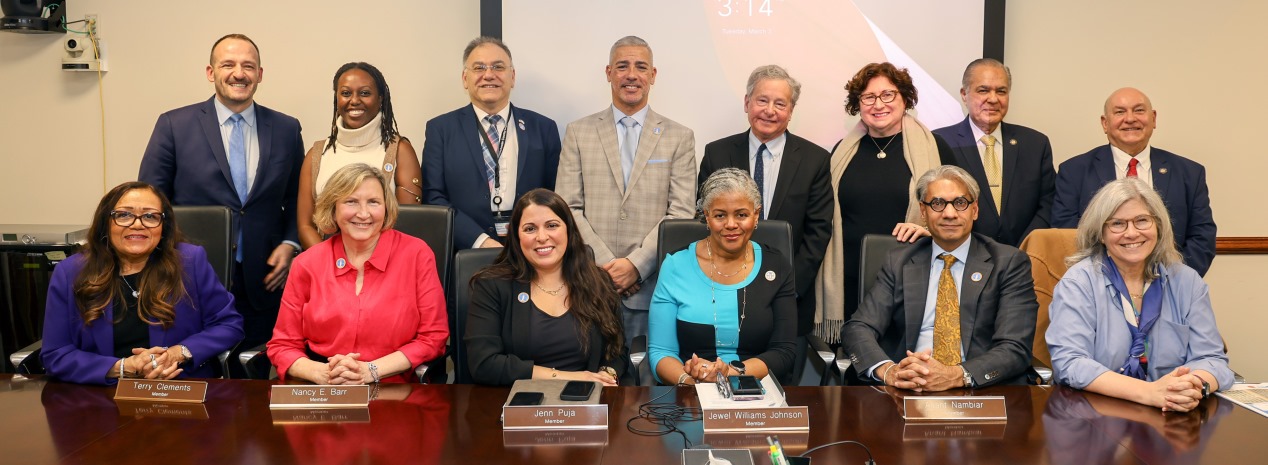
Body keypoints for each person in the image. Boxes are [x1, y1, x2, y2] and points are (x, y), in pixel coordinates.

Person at [138, 34, 304, 376]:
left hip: (264, 280)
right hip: (189, 280)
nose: (238, 73)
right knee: (195, 381)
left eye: (248, 66)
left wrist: (290, 244)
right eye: (228, 64)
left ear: (260, 74)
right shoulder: (174, 125)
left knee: (253, 379)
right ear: (211, 72)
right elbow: (150, 203)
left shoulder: (287, 128)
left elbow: (297, 200)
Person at [843, 165, 1038, 391]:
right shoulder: (900, 261)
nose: (949, 213)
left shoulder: (1009, 262)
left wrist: (956, 375)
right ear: (923, 212)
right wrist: (889, 371)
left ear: (974, 210)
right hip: (909, 386)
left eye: (960, 203)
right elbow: (858, 328)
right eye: (937, 204)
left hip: (980, 389)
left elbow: (1015, 347)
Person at [555, 36, 697, 345]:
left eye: (640, 67)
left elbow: (681, 213)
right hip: (588, 285)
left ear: (653, 76)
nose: (631, 74)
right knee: (593, 381)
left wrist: (636, 266)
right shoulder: (578, 132)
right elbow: (567, 208)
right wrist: (606, 268)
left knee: (647, 386)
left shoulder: (680, 137)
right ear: (608, 73)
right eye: (622, 66)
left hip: (653, 290)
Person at [1047, 178, 1233, 412]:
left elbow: (1213, 359)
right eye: (1117, 223)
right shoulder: (1078, 283)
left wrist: (1191, 387)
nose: (1132, 233)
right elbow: (1070, 363)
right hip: (1095, 419)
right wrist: (1150, 393)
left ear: (1158, 226)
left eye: (1142, 221)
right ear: (1101, 234)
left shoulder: (1186, 282)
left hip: (1172, 415)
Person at [41, 182, 244, 385]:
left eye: (150, 216)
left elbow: (228, 324)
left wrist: (178, 353)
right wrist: (123, 367)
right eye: (124, 215)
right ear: (106, 222)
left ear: (163, 226)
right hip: (100, 395)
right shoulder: (70, 272)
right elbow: (56, 354)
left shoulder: (190, 262)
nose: (137, 224)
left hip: (180, 388)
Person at [698, 65, 832, 361]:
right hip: (722, 292)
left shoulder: (815, 160)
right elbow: (704, 221)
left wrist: (787, 289)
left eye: (780, 103)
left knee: (781, 385)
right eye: (762, 101)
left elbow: (818, 231)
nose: (769, 111)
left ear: (791, 110)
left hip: (788, 300)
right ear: (747, 103)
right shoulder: (717, 153)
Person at [267, 164, 447, 384]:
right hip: (322, 386)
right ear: (333, 208)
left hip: (391, 388)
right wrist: (322, 373)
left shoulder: (416, 254)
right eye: (351, 202)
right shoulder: (307, 263)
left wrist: (370, 370)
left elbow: (433, 338)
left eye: (373, 202)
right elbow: (282, 345)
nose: (364, 213)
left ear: (386, 207)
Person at [814, 62, 954, 344]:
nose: (878, 104)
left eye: (888, 95)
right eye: (868, 97)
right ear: (858, 104)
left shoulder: (935, 147)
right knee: (857, 365)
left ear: (905, 99)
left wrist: (930, 231)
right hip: (849, 278)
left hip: (912, 275)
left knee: (906, 361)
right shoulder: (841, 152)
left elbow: (960, 210)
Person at [465, 188, 629, 386]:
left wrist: (607, 375)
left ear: (569, 230)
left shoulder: (598, 281)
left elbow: (616, 349)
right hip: (515, 404)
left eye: (552, 225)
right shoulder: (491, 285)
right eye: (530, 229)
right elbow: (484, 364)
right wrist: (571, 378)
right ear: (517, 237)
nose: (542, 237)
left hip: (586, 401)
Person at [650, 168, 798, 385]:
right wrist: (692, 384)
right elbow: (661, 352)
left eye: (741, 214)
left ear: (756, 215)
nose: (731, 224)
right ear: (707, 216)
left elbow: (784, 351)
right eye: (720, 215)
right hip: (689, 390)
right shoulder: (676, 265)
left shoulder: (776, 266)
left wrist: (728, 372)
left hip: (755, 389)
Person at [1051, 87, 1216, 276]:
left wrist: (1174, 281)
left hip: (1172, 288)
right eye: (1120, 112)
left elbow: (1202, 237)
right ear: (1105, 123)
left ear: (1153, 118)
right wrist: (1106, 282)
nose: (1130, 119)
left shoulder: (1189, 173)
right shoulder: (1074, 171)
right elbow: (1067, 235)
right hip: (1097, 288)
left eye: (1139, 110)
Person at [423, 37, 562, 251]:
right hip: (465, 249)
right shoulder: (440, 129)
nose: (489, 75)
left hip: (531, 249)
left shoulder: (543, 128)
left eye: (498, 67)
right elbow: (434, 197)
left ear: (512, 76)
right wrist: (480, 241)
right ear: (465, 78)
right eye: (479, 68)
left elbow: (555, 194)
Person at [296, 62, 421, 250]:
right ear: (336, 99)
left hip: (385, 267)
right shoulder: (316, 155)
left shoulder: (400, 151)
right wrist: (329, 263)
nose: (354, 100)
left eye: (364, 93)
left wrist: (365, 263)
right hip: (326, 270)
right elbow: (305, 225)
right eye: (346, 93)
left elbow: (408, 226)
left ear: (380, 99)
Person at [933, 58, 1055, 247]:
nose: (993, 98)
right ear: (964, 94)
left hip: (1023, 256)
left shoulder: (1035, 144)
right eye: (983, 90)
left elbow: (1048, 203)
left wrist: (1025, 248)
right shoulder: (940, 142)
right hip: (962, 254)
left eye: (1001, 91)